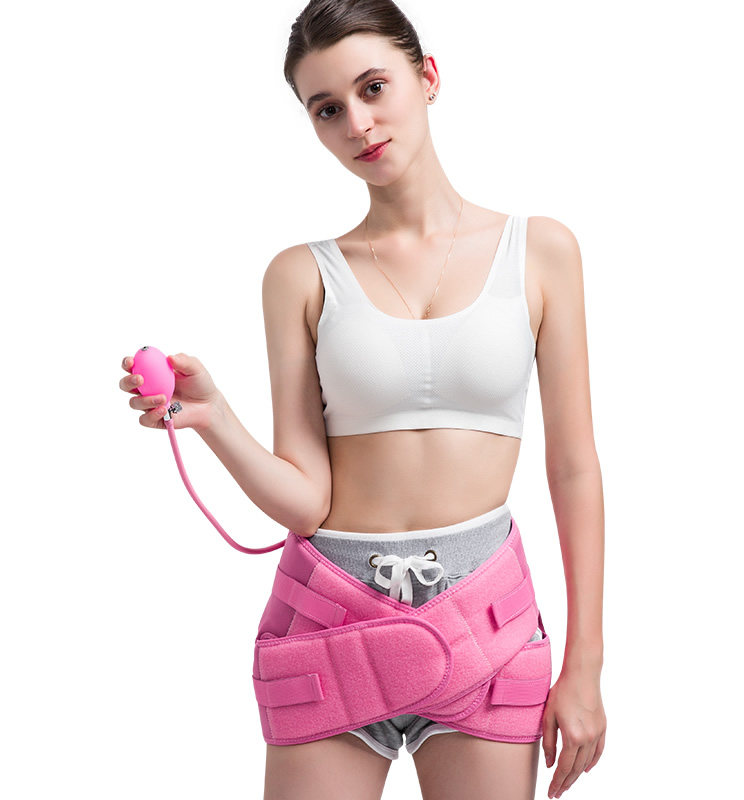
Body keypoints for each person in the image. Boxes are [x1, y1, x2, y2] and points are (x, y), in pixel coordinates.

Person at [119, 1, 606, 797]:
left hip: (487, 621)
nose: (358, 123)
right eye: (327, 109)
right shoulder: (299, 276)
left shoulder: (541, 251)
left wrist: (585, 663)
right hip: (326, 620)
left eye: (373, 87)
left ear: (428, 76)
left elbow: (575, 468)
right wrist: (212, 418)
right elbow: (306, 501)